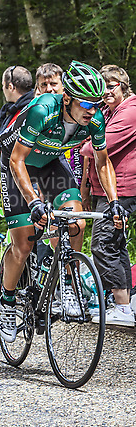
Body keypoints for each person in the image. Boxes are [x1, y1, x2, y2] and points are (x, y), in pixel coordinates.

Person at [0, 60, 127, 343]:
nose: (92, 111)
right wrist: (33, 201)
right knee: (24, 244)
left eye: (96, 104)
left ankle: (68, 281)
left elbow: (103, 163)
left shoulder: (94, 118)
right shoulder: (42, 110)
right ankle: (6, 302)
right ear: (67, 98)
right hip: (19, 165)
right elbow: (16, 160)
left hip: (51, 163)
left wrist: (114, 201)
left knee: (76, 221)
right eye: (85, 104)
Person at [81, 64, 136, 326]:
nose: (106, 92)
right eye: (102, 87)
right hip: (105, 187)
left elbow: (99, 146)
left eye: (111, 85)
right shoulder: (108, 111)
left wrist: (85, 144)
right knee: (114, 244)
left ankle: (122, 307)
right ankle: (123, 304)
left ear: (123, 86)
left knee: (103, 244)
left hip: (122, 189)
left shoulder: (130, 112)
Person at [0, 65, 34, 155]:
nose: (2, 89)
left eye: (3, 85)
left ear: (10, 87)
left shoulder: (23, 114)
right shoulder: (33, 106)